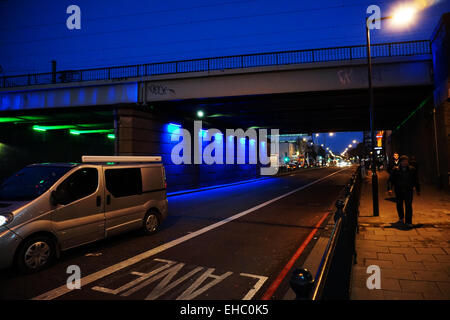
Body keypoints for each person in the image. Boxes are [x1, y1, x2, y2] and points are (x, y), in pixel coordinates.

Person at [388, 155, 420, 228]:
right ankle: (401, 218)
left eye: (406, 161)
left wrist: (418, 190)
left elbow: (416, 180)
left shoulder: (412, 170)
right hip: (399, 190)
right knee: (399, 204)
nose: (405, 163)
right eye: (403, 161)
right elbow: (391, 180)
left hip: (408, 190)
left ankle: (408, 221)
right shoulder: (396, 170)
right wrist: (390, 189)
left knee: (408, 205)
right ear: (400, 162)